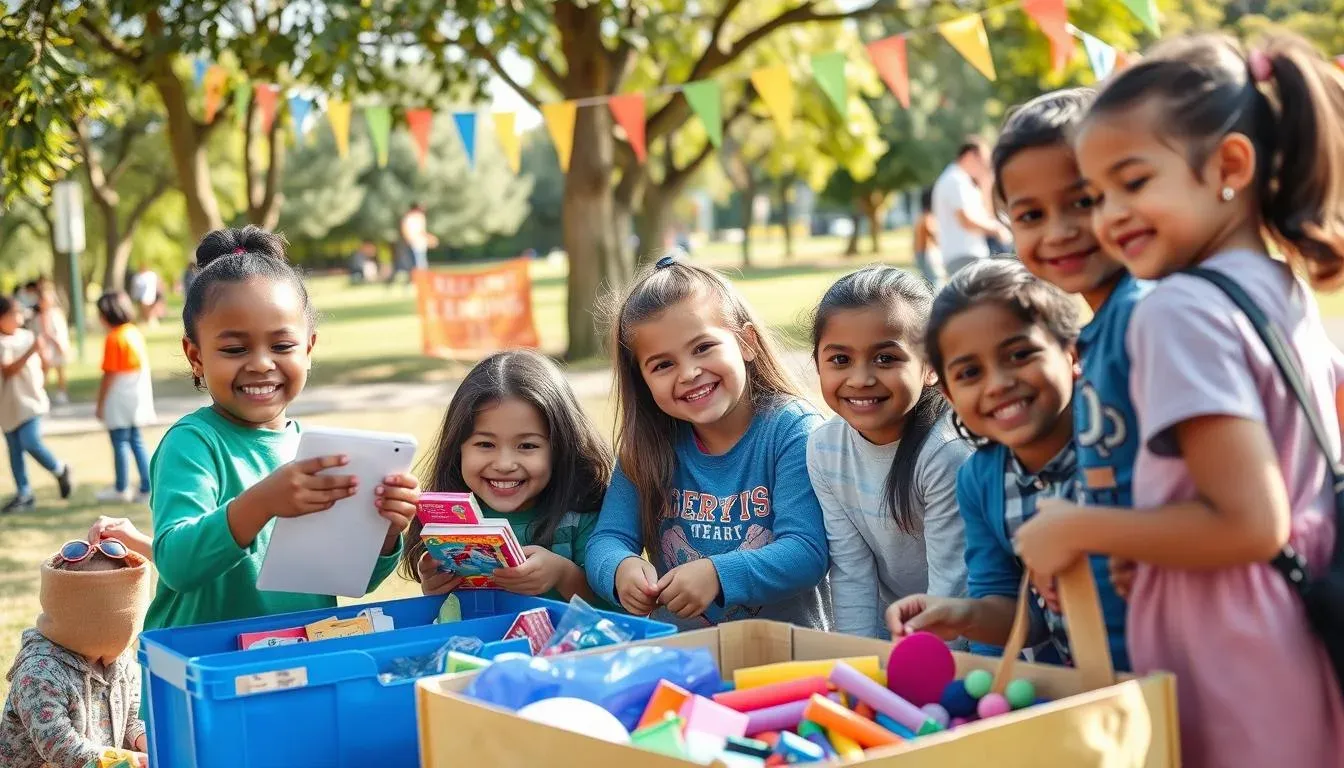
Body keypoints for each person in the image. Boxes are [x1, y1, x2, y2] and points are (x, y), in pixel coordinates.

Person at [1013, 33, 1344, 767]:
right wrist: (1157, 545)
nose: (1109, 217)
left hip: (1232, 645)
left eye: (1134, 183)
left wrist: (1080, 527)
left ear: (1229, 166)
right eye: (1099, 195)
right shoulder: (1276, 287)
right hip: (1291, 621)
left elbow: (1252, 522)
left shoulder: (1178, 309)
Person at [140, 226, 420, 633]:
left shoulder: (316, 450)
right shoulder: (193, 443)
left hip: (295, 664)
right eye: (235, 349)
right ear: (195, 355)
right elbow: (177, 564)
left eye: (282, 346)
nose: (260, 364)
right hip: (202, 674)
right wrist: (263, 502)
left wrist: (386, 530)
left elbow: (342, 579)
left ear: (308, 348)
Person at [887, 261, 1133, 669]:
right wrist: (959, 614)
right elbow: (1019, 615)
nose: (998, 383)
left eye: (1019, 354)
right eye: (969, 373)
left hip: (1181, 670)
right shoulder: (980, 481)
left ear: (1072, 353)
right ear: (948, 395)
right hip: (1082, 691)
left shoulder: (1118, 437)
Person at [585, 256, 831, 630]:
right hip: (685, 662)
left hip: (787, 662)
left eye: (703, 348)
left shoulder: (791, 430)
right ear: (643, 381)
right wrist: (619, 568)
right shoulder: (647, 446)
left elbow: (806, 551)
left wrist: (718, 574)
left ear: (746, 342)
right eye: (662, 365)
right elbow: (608, 539)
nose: (689, 373)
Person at [991, 87, 1138, 652]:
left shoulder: (1146, 317)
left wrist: (1086, 533)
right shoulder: (1102, 331)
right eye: (1030, 214)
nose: (1057, 231)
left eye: (1082, 201)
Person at [807, 267, 970, 640]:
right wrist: (858, 668)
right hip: (894, 632)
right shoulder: (824, 447)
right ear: (817, 362)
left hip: (966, 643)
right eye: (840, 360)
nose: (860, 378)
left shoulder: (946, 453)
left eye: (885, 359)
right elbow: (851, 571)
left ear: (930, 366)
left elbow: (953, 587)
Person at [400, 349, 614, 606]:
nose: (504, 464)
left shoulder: (583, 516)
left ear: (561, 448)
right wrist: (434, 588)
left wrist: (563, 575)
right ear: (457, 448)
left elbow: (620, 615)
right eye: (485, 444)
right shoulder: (447, 521)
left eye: (527, 446)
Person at [0, 539, 151, 768]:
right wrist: (130, 761)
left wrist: (146, 742)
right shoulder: (39, 673)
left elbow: (131, 717)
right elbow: (61, 747)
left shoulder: (119, 660)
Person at [0, 295, 73, 514]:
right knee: (14, 450)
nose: (19, 317)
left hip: (30, 402)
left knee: (30, 441)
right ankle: (25, 493)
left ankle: (59, 469)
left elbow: (42, 364)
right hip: (8, 405)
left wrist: (41, 358)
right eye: (13, 314)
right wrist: (31, 351)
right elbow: (8, 369)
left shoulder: (27, 336)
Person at [93, 292, 156, 504]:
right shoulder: (133, 332)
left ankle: (121, 487)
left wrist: (100, 403)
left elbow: (109, 374)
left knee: (119, 441)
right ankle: (147, 486)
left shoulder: (114, 337)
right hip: (135, 397)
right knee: (135, 441)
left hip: (119, 397)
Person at [931, 138, 1010, 276]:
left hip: (967, 255)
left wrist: (985, 182)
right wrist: (996, 230)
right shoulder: (955, 180)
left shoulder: (962, 181)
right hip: (964, 255)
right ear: (970, 155)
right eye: (983, 159)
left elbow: (986, 213)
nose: (985, 165)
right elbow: (965, 220)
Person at [34, 280, 70, 405]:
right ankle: (40, 392)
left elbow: (60, 331)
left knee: (60, 370)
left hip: (56, 346)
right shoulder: (38, 317)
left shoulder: (56, 314)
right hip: (45, 347)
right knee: (44, 371)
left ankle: (62, 392)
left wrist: (61, 344)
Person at [912, 188, 944, 289]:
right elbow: (933, 234)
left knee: (927, 280)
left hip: (920, 252)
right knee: (934, 280)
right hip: (927, 252)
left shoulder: (920, 217)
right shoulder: (928, 217)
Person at [399, 203, 435, 272]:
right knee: (420, 261)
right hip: (417, 242)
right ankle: (420, 277)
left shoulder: (409, 217)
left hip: (415, 242)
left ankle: (419, 277)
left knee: (418, 261)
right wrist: (430, 238)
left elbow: (405, 229)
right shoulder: (419, 217)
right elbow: (421, 231)